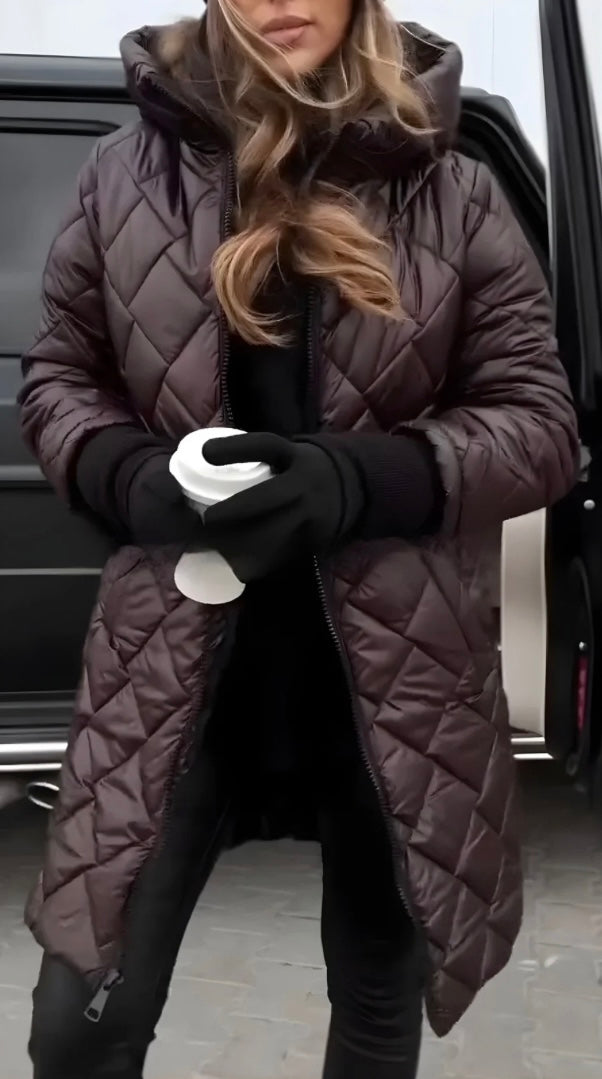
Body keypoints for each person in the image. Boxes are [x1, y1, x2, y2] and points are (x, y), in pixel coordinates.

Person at [19, 2, 578, 1077]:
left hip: (394, 682)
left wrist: (358, 477)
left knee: (374, 1000)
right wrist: (129, 474)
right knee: (79, 1025)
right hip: (174, 671)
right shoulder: (121, 175)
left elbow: (539, 421)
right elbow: (59, 379)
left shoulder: (453, 191)